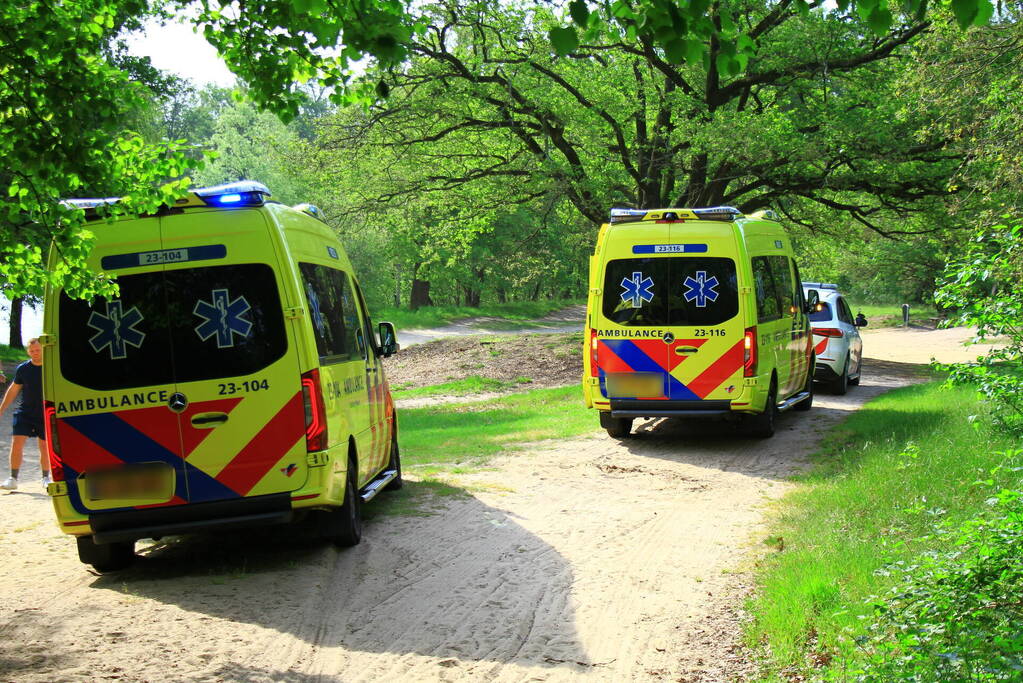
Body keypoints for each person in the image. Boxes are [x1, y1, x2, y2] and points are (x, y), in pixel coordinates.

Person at [0, 339, 48, 490]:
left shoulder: (51, 367)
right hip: (25, 412)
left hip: (45, 412)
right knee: (17, 443)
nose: (35, 353)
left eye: (38, 350)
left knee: (44, 446)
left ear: (43, 349)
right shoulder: (23, 369)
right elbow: (13, 389)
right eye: (32, 351)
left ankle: (46, 477)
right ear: (28, 351)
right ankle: (13, 478)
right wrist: (1, 410)